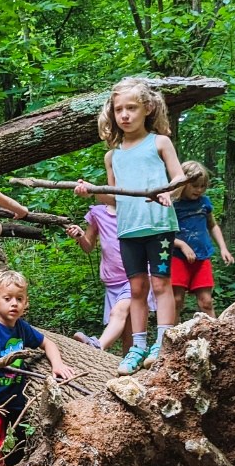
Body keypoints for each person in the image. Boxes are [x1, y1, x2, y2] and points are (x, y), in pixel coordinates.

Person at [74, 77, 186, 376]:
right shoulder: (113, 155)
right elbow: (113, 200)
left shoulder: (159, 142)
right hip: (128, 229)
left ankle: (163, 341)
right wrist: (92, 190)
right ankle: (138, 346)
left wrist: (168, 191)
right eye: (119, 109)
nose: (125, 115)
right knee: (136, 288)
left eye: (131, 108)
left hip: (159, 225)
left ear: (147, 108)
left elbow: (179, 178)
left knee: (161, 284)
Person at [0, 270, 75, 455]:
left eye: (19, 299)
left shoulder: (22, 328)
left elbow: (48, 343)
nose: (14, 303)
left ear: (25, 303)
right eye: (7, 298)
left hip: (6, 408)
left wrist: (57, 365)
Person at [65, 194, 157, 353]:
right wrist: (80, 236)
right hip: (113, 280)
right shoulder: (97, 213)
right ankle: (130, 369)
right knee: (129, 334)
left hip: (137, 275)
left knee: (118, 312)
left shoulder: (135, 208)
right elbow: (88, 247)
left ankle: (97, 345)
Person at [171, 161, 234, 318]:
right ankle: (169, 336)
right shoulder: (172, 204)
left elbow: (212, 225)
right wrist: (182, 245)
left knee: (206, 301)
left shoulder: (204, 202)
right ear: (183, 183)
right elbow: (163, 233)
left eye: (203, 186)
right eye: (195, 185)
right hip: (177, 257)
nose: (199, 190)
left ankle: (214, 335)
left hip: (202, 256)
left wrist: (223, 248)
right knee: (176, 300)